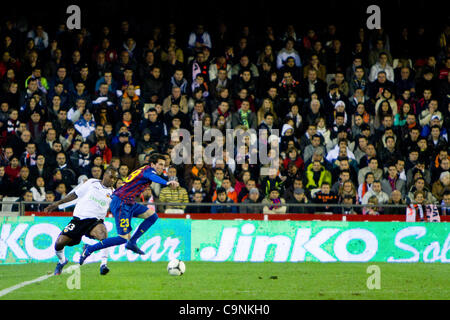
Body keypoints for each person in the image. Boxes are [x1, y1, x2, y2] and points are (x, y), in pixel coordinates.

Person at [78, 153, 179, 264]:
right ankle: (89, 249)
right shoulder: (149, 170)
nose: (162, 167)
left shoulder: (144, 169)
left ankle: (132, 242)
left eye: (163, 165)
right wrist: (166, 182)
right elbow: (152, 177)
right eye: (160, 164)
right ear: (152, 164)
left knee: (152, 216)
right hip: (121, 202)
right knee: (122, 238)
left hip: (128, 202)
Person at [43, 167, 118, 275]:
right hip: (78, 220)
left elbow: (116, 209)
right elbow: (75, 194)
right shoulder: (92, 182)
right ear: (105, 175)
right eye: (111, 177)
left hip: (95, 221)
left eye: (115, 178)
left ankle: (103, 265)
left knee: (103, 235)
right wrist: (57, 203)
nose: (113, 180)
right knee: (59, 243)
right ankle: (62, 261)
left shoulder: (113, 193)